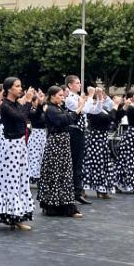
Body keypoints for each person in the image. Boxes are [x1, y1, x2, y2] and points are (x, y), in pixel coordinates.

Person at [0, 78, 34, 230]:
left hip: (20, 145)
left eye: (20, 85)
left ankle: (17, 215)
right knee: (7, 181)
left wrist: (26, 102)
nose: (20, 88)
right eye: (17, 86)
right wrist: (28, 101)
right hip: (10, 147)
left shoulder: (16, 104)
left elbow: (23, 117)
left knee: (20, 181)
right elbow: (22, 117)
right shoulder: (5, 105)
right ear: (9, 89)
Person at [38, 86, 85, 218]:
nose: (62, 97)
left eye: (62, 95)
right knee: (55, 174)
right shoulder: (51, 108)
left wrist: (76, 111)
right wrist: (79, 108)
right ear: (52, 96)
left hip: (63, 143)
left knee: (64, 174)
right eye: (59, 95)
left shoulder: (58, 107)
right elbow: (64, 120)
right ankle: (53, 206)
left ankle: (63, 205)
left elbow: (71, 119)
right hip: (56, 143)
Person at [83, 89, 118, 199]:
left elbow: (113, 118)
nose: (103, 98)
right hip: (95, 139)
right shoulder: (93, 110)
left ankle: (101, 189)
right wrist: (114, 108)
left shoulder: (103, 109)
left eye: (103, 96)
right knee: (93, 163)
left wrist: (116, 109)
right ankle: (84, 188)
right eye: (100, 97)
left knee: (103, 164)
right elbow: (109, 118)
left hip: (103, 139)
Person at [64, 75, 93, 205]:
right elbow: (84, 110)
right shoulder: (70, 99)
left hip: (80, 131)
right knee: (75, 163)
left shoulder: (78, 98)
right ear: (70, 85)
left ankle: (77, 191)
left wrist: (95, 99)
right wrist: (91, 96)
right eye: (77, 83)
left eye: (80, 82)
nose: (80, 85)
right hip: (74, 131)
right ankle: (73, 192)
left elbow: (92, 110)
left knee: (79, 163)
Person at [27, 90, 47, 184]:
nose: (39, 102)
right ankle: (33, 176)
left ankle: (41, 176)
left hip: (43, 135)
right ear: (32, 102)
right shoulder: (31, 111)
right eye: (37, 101)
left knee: (42, 156)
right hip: (35, 135)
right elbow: (37, 115)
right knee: (34, 156)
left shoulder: (43, 110)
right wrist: (40, 103)